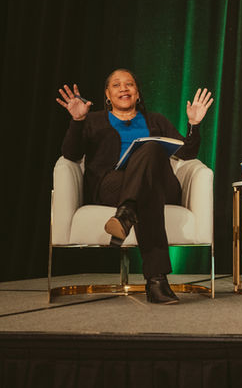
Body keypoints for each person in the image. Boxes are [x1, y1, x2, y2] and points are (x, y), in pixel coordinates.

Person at [56, 69, 214, 305]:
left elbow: (187, 153)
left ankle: (127, 213)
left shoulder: (156, 120)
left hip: (161, 184)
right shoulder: (94, 120)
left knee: (150, 149)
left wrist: (194, 124)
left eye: (129, 84)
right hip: (112, 186)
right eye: (117, 85)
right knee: (148, 194)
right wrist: (78, 121)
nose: (124, 88)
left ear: (138, 94)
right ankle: (156, 282)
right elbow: (71, 154)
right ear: (107, 95)